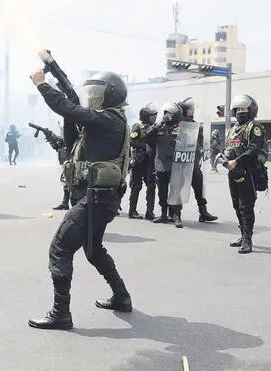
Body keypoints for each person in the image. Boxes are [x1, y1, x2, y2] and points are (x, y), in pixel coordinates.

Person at [27, 69, 132, 330]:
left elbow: (69, 108)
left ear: (111, 96)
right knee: (93, 249)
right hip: (99, 199)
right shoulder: (107, 120)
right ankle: (122, 296)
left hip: (95, 199)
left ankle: (60, 313)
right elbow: (72, 103)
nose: (93, 98)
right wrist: (53, 66)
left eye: (98, 94)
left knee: (60, 249)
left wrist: (42, 84)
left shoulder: (109, 119)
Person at [222, 94, 266, 254]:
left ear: (251, 110)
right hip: (233, 172)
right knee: (236, 204)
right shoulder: (233, 129)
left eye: (244, 109)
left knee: (246, 206)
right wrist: (223, 158)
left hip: (248, 171)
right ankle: (242, 235)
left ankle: (248, 240)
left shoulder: (254, 127)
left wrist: (236, 162)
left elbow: (254, 149)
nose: (241, 112)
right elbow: (228, 147)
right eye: (238, 109)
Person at [177, 97, 218, 223]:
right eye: (190, 109)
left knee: (199, 186)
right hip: (181, 162)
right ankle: (176, 215)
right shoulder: (178, 124)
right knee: (179, 188)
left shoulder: (195, 125)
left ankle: (203, 212)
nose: (193, 111)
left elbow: (201, 142)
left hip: (193, 162)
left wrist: (203, 147)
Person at [145, 102, 182, 227]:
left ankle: (177, 216)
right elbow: (148, 135)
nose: (168, 115)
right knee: (162, 191)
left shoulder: (181, 127)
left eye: (171, 113)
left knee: (176, 191)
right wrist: (160, 122)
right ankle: (163, 214)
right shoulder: (159, 126)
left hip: (176, 163)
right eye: (166, 113)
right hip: (161, 163)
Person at [127, 103, 157, 220]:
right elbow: (131, 141)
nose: (154, 117)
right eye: (152, 115)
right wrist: (144, 146)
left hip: (150, 162)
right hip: (139, 161)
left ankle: (150, 212)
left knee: (151, 186)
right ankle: (132, 211)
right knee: (136, 187)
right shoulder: (137, 126)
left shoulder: (155, 127)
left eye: (155, 115)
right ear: (146, 115)